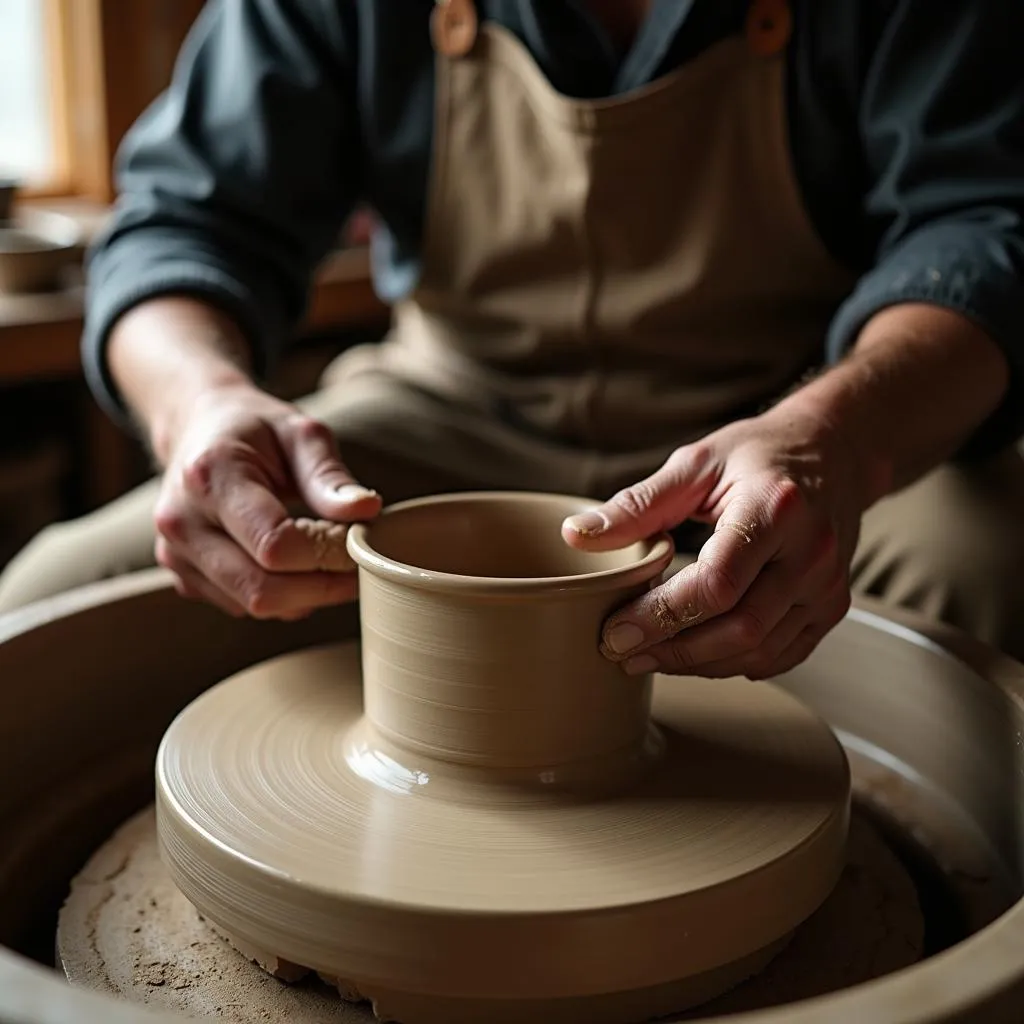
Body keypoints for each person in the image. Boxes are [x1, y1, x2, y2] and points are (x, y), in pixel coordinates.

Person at [1, 0, 1023, 680]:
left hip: (800, 415)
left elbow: (984, 224)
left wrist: (829, 438)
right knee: (47, 613)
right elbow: (183, 221)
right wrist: (198, 409)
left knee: (982, 587)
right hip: (447, 409)